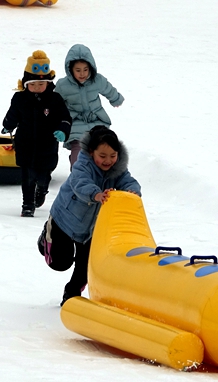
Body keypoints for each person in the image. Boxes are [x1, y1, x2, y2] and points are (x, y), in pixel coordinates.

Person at [37, 125, 141, 306]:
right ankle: (45, 240)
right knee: (60, 263)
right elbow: (81, 183)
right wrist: (96, 194)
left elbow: (128, 181)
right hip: (65, 220)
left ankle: (72, 295)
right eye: (102, 156)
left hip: (92, 228)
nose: (108, 161)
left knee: (87, 264)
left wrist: (132, 192)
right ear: (92, 152)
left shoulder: (118, 168)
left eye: (113, 155)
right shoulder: (82, 165)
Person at [2, 50, 72, 217]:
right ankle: (27, 204)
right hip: (25, 143)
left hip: (47, 145)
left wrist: (62, 130)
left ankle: (42, 189)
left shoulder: (55, 100)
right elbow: (13, 115)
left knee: (43, 175)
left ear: (48, 83)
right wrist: (7, 126)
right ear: (26, 84)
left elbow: (65, 117)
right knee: (27, 176)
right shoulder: (20, 98)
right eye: (33, 84)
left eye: (41, 85)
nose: (37, 88)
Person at [55, 44, 124, 168]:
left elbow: (108, 89)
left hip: (96, 120)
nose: (82, 74)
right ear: (70, 69)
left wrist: (116, 99)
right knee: (79, 149)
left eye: (85, 69)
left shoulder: (97, 80)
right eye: (78, 70)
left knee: (102, 146)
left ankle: (103, 173)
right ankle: (77, 172)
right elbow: (55, 102)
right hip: (75, 122)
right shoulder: (63, 85)